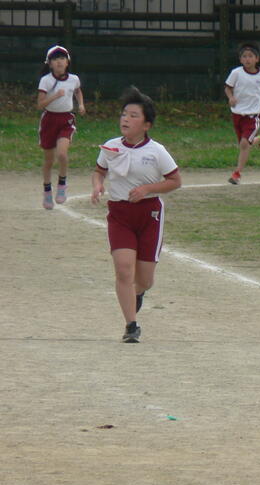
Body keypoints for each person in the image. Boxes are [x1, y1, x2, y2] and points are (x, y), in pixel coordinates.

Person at [90, 87, 182, 343]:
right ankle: (131, 326)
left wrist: (147, 189)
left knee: (145, 279)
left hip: (149, 215)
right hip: (120, 214)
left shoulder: (156, 151)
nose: (126, 119)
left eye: (133, 115)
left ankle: (138, 293)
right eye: (124, 114)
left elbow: (175, 181)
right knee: (123, 270)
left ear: (146, 124)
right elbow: (99, 171)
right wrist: (97, 184)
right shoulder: (110, 146)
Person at [37, 45, 85, 210]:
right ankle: (47, 190)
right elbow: (40, 104)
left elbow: (77, 91)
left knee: (62, 154)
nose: (59, 62)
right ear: (49, 63)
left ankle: (62, 184)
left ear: (67, 62)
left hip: (66, 119)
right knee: (49, 161)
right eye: (55, 59)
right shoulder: (46, 80)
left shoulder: (74, 79)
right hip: (49, 121)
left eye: (62, 58)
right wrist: (55, 96)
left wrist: (81, 104)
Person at [224, 41, 260, 185]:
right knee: (245, 144)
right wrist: (231, 98)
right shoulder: (236, 73)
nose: (247, 59)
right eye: (244, 56)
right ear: (240, 59)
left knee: (244, 144)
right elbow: (228, 87)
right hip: (237, 114)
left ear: (257, 59)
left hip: (253, 116)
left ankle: (237, 174)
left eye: (250, 56)